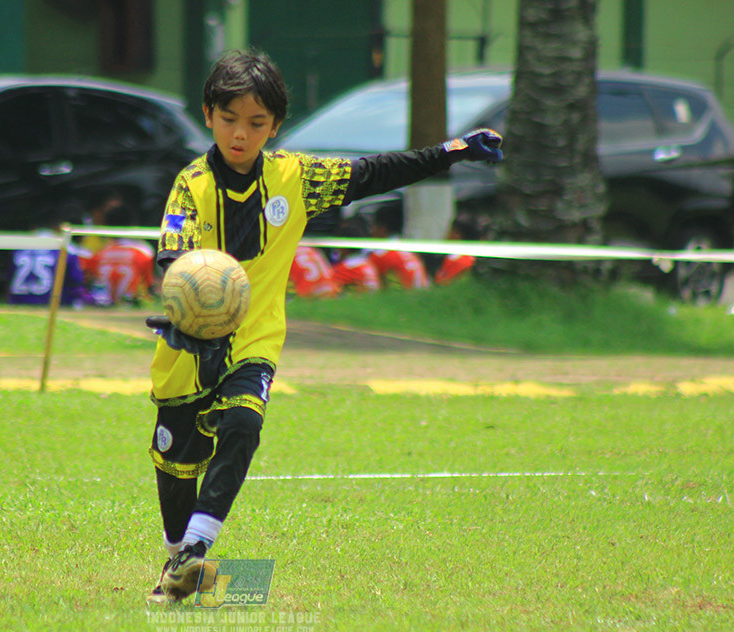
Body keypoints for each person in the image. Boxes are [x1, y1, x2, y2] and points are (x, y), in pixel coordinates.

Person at [142, 49, 503, 604]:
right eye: (230, 119)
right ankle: (176, 563)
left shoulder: (297, 178)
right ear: (209, 115)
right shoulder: (191, 184)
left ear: (275, 127)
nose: (241, 134)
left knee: (243, 425)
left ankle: (195, 552)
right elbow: (171, 252)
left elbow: (377, 172)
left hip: (254, 338)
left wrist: (453, 151)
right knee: (176, 468)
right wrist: (181, 309)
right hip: (187, 348)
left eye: (257, 123)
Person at [7, 227, 92, 308]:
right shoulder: (66, 248)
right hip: (51, 304)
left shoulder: (19, 248)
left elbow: (9, 278)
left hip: (18, 303)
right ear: (58, 228)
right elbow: (76, 282)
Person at [368, 211, 431, 290]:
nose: (371, 232)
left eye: (373, 227)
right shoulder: (409, 248)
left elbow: (373, 288)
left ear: (382, 228)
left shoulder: (380, 254)